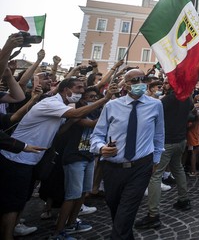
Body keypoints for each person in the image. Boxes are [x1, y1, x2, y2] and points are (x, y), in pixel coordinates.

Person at [0, 77, 114, 240]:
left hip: (30, 159)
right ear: (66, 89)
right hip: (16, 158)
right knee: (12, 203)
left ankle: (14, 229)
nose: (82, 91)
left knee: (21, 199)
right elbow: (77, 113)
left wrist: (70, 122)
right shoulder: (51, 103)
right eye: (78, 88)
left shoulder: (61, 106)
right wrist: (106, 98)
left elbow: (59, 131)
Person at [90, 68, 164, 240]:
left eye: (142, 79)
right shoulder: (111, 106)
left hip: (140, 166)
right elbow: (97, 135)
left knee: (126, 210)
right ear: (126, 84)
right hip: (113, 166)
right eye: (133, 80)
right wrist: (101, 148)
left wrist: (156, 160)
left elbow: (159, 135)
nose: (139, 84)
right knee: (116, 209)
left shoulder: (156, 105)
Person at [49, 86, 108, 239]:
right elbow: (93, 124)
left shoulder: (95, 111)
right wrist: (107, 102)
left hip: (87, 156)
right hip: (74, 157)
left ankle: (71, 223)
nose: (94, 100)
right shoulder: (74, 114)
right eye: (91, 98)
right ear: (82, 100)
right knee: (72, 195)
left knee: (83, 193)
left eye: (96, 97)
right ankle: (58, 232)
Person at [134, 81, 192, 230]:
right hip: (180, 140)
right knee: (178, 168)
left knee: (156, 175)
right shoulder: (188, 99)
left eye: (167, 83)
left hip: (166, 142)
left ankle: (153, 215)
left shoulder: (166, 100)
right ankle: (184, 200)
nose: (164, 84)